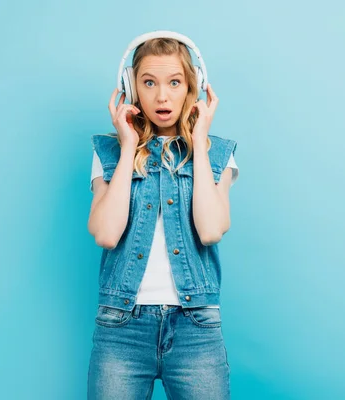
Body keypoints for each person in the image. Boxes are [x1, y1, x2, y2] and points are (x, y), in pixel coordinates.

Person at [86, 31, 238, 399]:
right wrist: (127, 148)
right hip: (121, 327)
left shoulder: (218, 154)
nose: (162, 95)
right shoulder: (108, 151)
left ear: (193, 88)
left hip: (195, 328)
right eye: (149, 82)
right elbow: (106, 233)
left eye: (175, 82)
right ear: (131, 87)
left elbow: (211, 230)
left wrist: (199, 142)